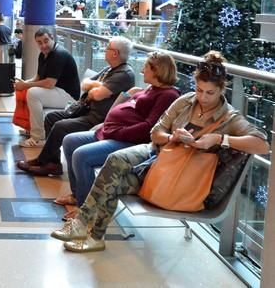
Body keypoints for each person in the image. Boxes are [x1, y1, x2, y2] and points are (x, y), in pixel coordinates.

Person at [51, 51, 270, 253]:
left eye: (210, 93)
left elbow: (262, 145)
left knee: (113, 179)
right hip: (158, 158)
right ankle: (87, 229)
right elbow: (156, 132)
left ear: (222, 90)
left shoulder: (229, 117)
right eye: (200, 90)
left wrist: (220, 139)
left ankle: (91, 232)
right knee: (115, 161)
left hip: (184, 175)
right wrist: (171, 137)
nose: (203, 97)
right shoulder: (186, 101)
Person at [56, 51, 180, 219]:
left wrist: (118, 131)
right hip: (111, 132)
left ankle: (86, 210)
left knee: (81, 156)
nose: (142, 70)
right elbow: (127, 107)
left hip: (130, 142)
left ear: (156, 70)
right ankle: (78, 194)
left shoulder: (168, 95)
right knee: (70, 141)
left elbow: (148, 128)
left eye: (146, 67)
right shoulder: (152, 88)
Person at [18, 36, 135, 172]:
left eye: (107, 48)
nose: (104, 50)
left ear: (115, 53)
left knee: (60, 126)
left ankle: (43, 162)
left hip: (97, 118)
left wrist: (96, 88)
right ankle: (52, 162)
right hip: (84, 110)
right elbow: (84, 83)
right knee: (51, 118)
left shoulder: (125, 73)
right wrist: (98, 86)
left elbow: (96, 95)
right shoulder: (109, 70)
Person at [14, 27, 81, 148]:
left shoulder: (59, 55)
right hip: (57, 90)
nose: (43, 45)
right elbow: (38, 78)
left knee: (33, 93)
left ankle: (38, 137)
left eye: (46, 41)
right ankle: (31, 128)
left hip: (69, 96)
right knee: (27, 90)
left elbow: (49, 83)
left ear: (52, 38)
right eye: (39, 42)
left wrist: (26, 85)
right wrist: (23, 84)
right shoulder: (43, 55)